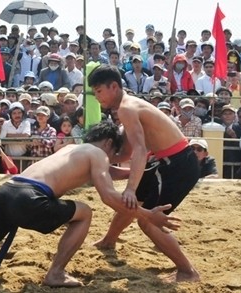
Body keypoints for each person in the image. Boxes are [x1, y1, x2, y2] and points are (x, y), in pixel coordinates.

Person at [0, 122, 181, 288]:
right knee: (85, 213)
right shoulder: (98, 154)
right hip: (31, 197)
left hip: (8, 191)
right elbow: (108, 195)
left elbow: (110, 173)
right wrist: (146, 215)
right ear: (108, 143)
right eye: (116, 150)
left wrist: (138, 171)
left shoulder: (71, 149)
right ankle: (55, 272)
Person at [88, 65, 200, 282]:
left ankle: (188, 271)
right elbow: (126, 153)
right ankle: (109, 240)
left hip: (177, 165)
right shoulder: (128, 107)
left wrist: (129, 187)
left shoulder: (127, 109)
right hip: (165, 161)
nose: (97, 97)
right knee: (133, 202)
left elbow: (139, 150)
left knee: (148, 220)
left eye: (99, 91)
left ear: (113, 86)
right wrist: (98, 159)